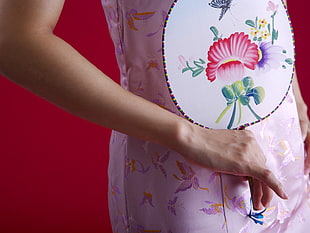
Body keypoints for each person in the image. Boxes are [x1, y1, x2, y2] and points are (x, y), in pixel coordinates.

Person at [0, 0, 309, 232]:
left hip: (289, 161)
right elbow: (14, 40)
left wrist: (295, 98)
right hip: (188, 182)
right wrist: (189, 135)